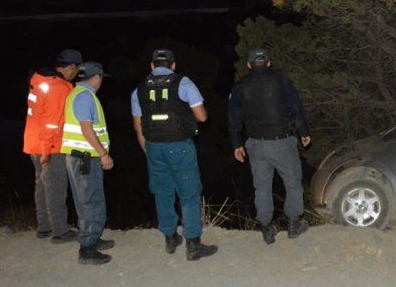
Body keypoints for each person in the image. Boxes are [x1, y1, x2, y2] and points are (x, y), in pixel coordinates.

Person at [131, 49, 217, 261]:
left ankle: (170, 238)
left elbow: (138, 126)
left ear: (152, 66)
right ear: (174, 65)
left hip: (153, 146)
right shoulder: (183, 83)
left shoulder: (139, 89)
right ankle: (193, 244)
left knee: (162, 192)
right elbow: (202, 117)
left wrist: (147, 149)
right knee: (189, 193)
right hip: (179, 146)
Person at [228, 48, 311, 244]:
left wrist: (237, 144)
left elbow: (233, 117)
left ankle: (266, 228)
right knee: (292, 183)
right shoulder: (281, 80)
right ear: (268, 63)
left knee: (262, 187)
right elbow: (296, 108)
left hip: (256, 145)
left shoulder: (240, 86)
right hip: (282, 142)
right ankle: (294, 224)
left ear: (248, 65)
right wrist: (304, 132)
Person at [23, 49, 82, 243]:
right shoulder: (58, 87)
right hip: (50, 144)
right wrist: (47, 151)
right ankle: (60, 231)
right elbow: (52, 124)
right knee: (55, 186)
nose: (76, 74)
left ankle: (44, 227)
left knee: (42, 184)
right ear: (71, 67)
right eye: (76, 69)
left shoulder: (39, 80)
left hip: (34, 141)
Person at [61, 62, 116, 265]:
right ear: (96, 77)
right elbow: (86, 129)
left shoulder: (77, 93)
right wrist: (103, 154)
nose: (101, 81)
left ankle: (93, 237)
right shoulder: (85, 97)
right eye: (101, 77)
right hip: (85, 158)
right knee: (90, 201)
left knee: (88, 200)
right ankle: (87, 248)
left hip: (81, 157)